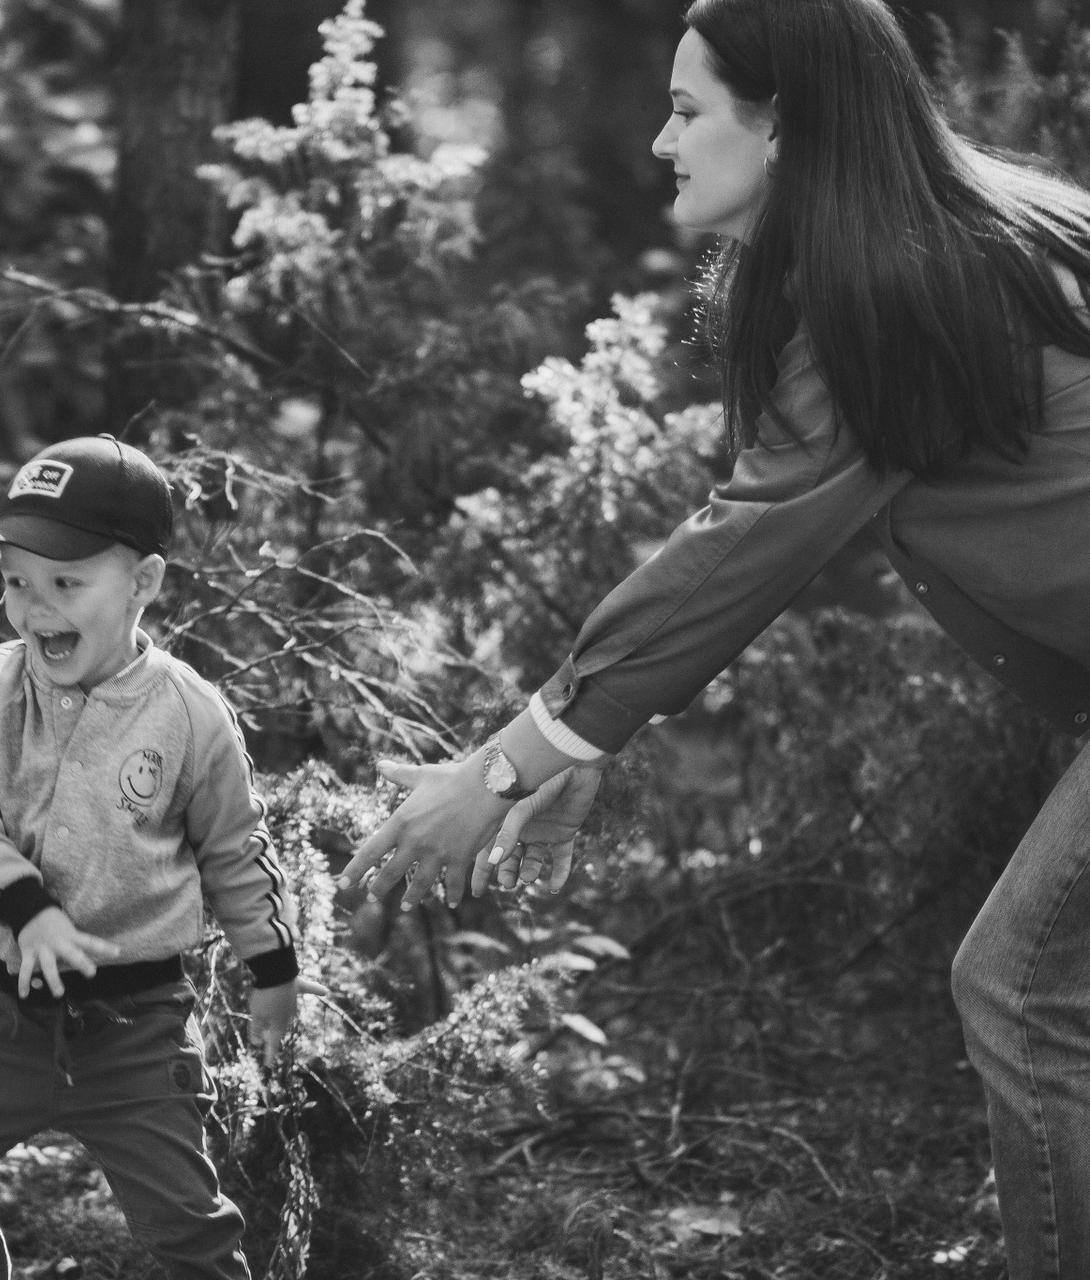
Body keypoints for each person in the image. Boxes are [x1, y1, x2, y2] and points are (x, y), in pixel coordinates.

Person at [339, 1, 1090, 1275]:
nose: (659, 141)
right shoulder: (967, 239)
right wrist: (581, 744)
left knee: (1019, 989)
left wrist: (507, 764)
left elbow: (736, 553)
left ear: (784, 127)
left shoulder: (895, 294)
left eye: (688, 111)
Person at [0, 434, 314, 1280]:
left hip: (137, 1029)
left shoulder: (189, 714)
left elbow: (235, 847)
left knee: (185, 1222)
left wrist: (272, 967)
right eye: (16, 582)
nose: (34, 608)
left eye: (66, 583)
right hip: (2, 1017)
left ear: (143, 583)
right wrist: (27, 910)